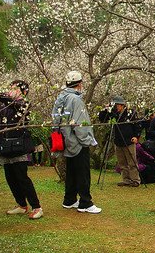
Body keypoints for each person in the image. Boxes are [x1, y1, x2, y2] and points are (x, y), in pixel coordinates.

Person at [0, 80, 43, 220]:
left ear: (24, 92)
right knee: (10, 178)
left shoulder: (24, 104)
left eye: (15, 88)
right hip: (5, 147)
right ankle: (21, 205)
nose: (11, 90)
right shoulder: (4, 107)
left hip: (19, 148)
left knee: (22, 178)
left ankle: (36, 207)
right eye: (10, 88)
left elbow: (12, 101)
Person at [52, 71, 101, 213]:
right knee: (83, 172)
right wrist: (87, 140)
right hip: (77, 141)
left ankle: (70, 199)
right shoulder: (75, 100)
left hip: (66, 140)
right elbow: (80, 123)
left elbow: (56, 119)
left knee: (72, 172)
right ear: (79, 84)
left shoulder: (60, 98)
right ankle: (85, 202)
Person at [98, 96, 141, 187]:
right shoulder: (113, 113)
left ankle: (135, 180)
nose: (117, 107)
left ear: (123, 105)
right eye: (115, 105)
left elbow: (137, 125)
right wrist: (106, 109)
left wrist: (136, 136)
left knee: (132, 161)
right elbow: (102, 118)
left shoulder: (130, 113)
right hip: (118, 140)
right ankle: (126, 179)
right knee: (122, 163)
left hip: (129, 140)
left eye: (118, 105)